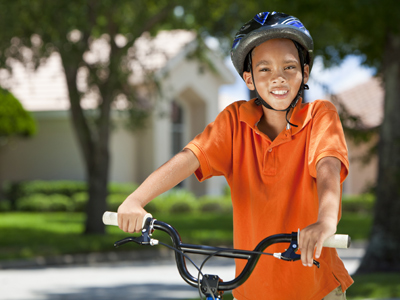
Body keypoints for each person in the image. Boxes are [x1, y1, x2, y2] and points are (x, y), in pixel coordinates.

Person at [117, 11, 353, 300]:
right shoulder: (234, 122)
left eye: (289, 67)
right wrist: (136, 200)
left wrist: (326, 221)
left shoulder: (320, 116)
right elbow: (188, 158)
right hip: (249, 290)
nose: (277, 77)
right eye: (264, 69)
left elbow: (328, 166)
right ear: (249, 78)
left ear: (305, 73)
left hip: (316, 290)